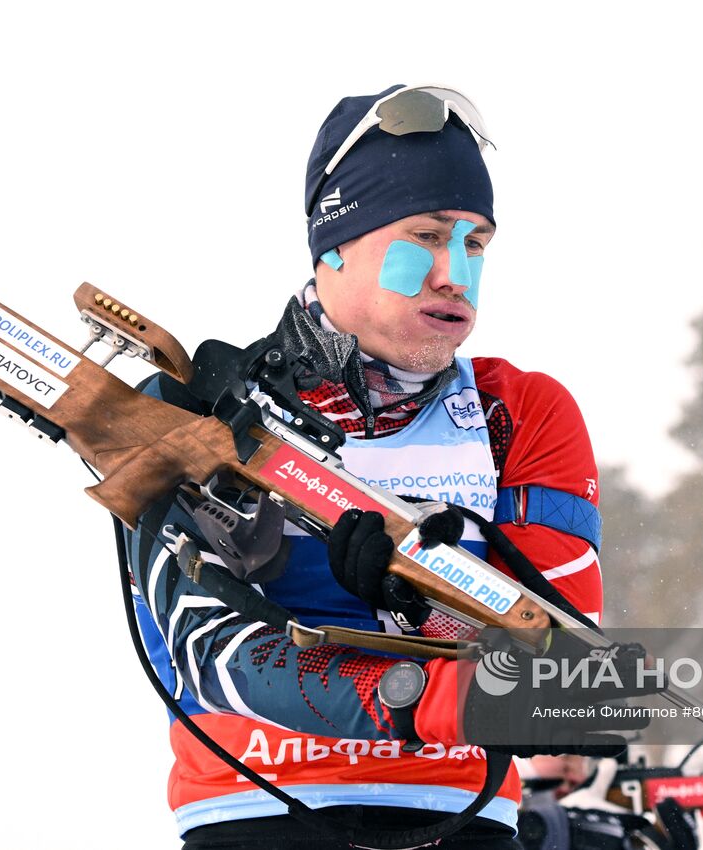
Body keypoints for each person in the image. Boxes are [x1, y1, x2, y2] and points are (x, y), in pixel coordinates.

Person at [124, 84, 631, 850]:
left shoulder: (521, 411)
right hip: (256, 808)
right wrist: (406, 693)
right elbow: (198, 646)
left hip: (462, 816)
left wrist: (419, 605)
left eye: (476, 244)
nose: (455, 272)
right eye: (426, 236)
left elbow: (563, 673)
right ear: (332, 244)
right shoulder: (199, 410)